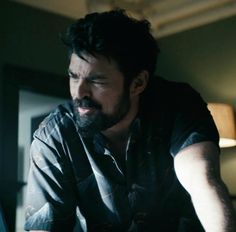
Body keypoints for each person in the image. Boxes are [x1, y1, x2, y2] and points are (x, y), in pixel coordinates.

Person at [24, 9, 236, 232]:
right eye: (73, 76)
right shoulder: (54, 136)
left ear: (138, 83)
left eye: (97, 81)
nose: (80, 92)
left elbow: (202, 180)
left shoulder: (178, 106)